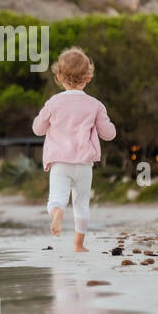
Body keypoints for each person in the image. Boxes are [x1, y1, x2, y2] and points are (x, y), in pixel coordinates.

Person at [32, 47, 117, 252]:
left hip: (60, 163)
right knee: (82, 204)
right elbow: (109, 134)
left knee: (56, 200)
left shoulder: (53, 103)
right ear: (88, 77)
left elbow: (38, 129)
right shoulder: (95, 105)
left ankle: (58, 214)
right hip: (84, 164)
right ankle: (79, 244)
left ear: (59, 77)